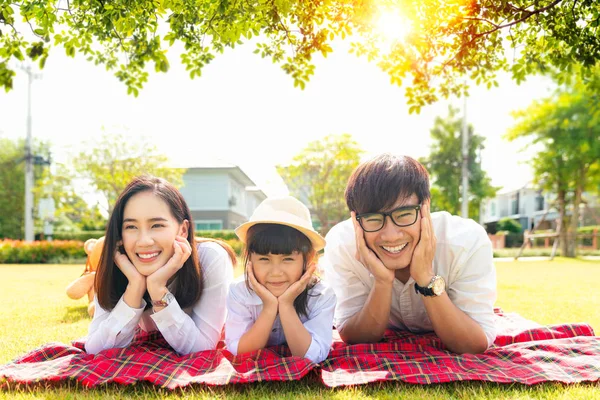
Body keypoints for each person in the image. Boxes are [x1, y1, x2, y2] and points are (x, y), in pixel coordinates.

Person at [322, 154, 496, 354]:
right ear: (355, 219)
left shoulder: (466, 242)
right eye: (373, 219)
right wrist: (382, 282)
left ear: (426, 207)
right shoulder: (343, 245)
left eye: (404, 215)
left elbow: (474, 344)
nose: (391, 235)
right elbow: (355, 337)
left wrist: (425, 277)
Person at [85, 175, 236, 355]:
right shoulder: (118, 261)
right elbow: (95, 349)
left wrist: (157, 288)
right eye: (131, 227)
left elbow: (201, 349)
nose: (144, 241)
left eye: (156, 225)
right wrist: (135, 286)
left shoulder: (210, 258)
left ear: (183, 230)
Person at [225, 196, 336, 363]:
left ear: (308, 258)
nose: (275, 272)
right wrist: (270, 307)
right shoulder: (239, 291)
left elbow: (312, 356)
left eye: (288, 259)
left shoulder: (321, 294)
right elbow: (239, 352)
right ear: (250, 259)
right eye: (264, 259)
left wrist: (285, 305)